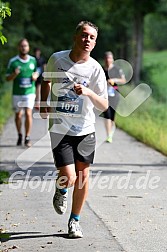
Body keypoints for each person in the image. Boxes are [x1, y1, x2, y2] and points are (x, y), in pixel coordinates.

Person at [40, 21, 108, 238]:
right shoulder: (57, 59)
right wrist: (44, 104)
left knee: (83, 177)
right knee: (68, 177)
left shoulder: (96, 69)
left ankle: (74, 221)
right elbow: (46, 81)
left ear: (95, 43)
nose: (87, 40)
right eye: (84, 35)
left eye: (92, 38)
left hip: (86, 129)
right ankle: (61, 190)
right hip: (60, 128)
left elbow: (104, 104)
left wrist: (88, 92)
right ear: (76, 36)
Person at [6, 38, 39, 147]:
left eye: (26, 46)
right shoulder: (13, 61)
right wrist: (14, 74)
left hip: (29, 92)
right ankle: (20, 134)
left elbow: (37, 71)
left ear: (28, 47)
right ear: (18, 47)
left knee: (28, 113)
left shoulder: (33, 60)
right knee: (18, 115)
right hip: (17, 93)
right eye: (22, 46)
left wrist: (36, 75)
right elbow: (7, 78)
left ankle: (27, 137)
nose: (24, 48)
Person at [102, 51, 126, 143]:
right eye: (107, 58)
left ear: (112, 59)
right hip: (104, 95)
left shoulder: (117, 69)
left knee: (112, 116)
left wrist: (114, 80)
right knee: (106, 114)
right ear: (104, 60)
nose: (108, 60)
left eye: (110, 58)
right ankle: (108, 135)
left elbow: (123, 80)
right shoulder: (101, 69)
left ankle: (111, 132)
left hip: (115, 94)